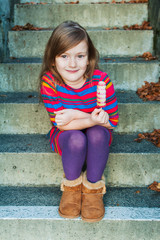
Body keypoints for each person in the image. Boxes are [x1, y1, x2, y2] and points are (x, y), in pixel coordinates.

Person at [40, 21, 119, 222]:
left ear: (89, 58)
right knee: (76, 139)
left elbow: (112, 122)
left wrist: (76, 114)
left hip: (97, 135)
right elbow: (61, 124)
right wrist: (93, 118)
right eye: (64, 56)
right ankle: (72, 187)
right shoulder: (50, 82)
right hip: (66, 137)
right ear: (53, 60)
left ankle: (93, 189)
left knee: (98, 133)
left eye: (80, 56)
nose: (72, 64)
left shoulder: (101, 81)